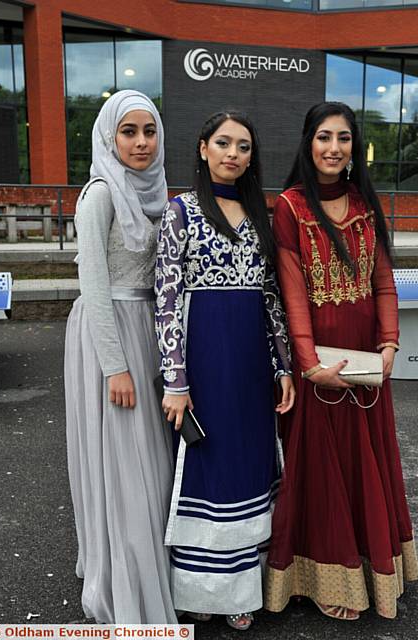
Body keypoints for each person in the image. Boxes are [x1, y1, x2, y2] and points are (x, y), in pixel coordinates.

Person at [264, 102, 418, 621]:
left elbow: (382, 282)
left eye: (345, 138)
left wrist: (391, 344)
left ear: (355, 147)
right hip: (320, 364)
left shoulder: (365, 204)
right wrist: (309, 365)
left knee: (366, 462)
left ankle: (375, 566)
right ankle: (325, 576)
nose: (335, 148)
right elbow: (293, 296)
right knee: (321, 468)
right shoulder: (289, 206)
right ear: (308, 142)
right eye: (325, 137)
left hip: (365, 357)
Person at [155, 111, 295, 631]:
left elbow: (271, 298)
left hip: (252, 364)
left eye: (243, 146)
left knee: (249, 465)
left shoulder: (264, 212)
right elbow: (165, 299)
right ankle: (197, 591)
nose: (233, 153)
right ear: (202, 147)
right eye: (223, 143)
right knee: (206, 466)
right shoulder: (181, 212)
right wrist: (175, 379)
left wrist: (283, 365)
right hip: (203, 361)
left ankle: (241, 590)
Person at [64, 89, 177, 624]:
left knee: (153, 457)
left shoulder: (156, 193)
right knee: (124, 460)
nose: (140, 142)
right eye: (128, 132)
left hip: (149, 330)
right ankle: (126, 577)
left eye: (149, 131)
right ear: (109, 136)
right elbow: (93, 284)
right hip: (110, 331)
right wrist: (115, 367)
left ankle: (157, 561)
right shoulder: (101, 193)